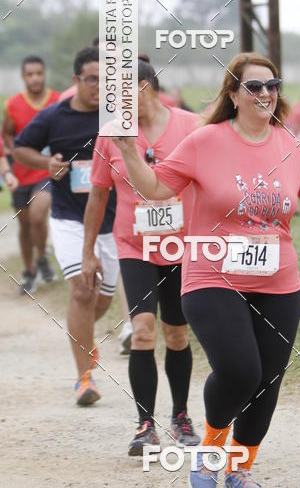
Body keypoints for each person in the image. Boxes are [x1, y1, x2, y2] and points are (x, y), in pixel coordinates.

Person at [113, 52, 300, 488]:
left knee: (267, 381)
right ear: (233, 94)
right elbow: (155, 187)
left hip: (279, 282)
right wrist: (127, 150)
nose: (266, 93)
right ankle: (210, 453)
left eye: (273, 85)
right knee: (240, 370)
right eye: (254, 86)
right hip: (212, 277)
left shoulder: (289, 144)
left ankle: (239, 469)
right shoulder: (205, 141)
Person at [83, 58, 203, 455]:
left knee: (177, 334)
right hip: (134, 247)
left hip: (181, 246)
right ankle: (145, 425)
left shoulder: (191, 126)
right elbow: (98, 194)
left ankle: (181, 416)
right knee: (143, 330)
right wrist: (88, 252)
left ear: (143, 87)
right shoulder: (111, 135)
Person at [13, 46, 118, 406]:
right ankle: (84, 378)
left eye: (106, 80)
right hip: (69, 218)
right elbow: (21, 148)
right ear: (76, 80)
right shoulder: (54, 116)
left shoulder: (118, 117)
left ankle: (85, 340)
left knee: (101, 300)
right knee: (82, 292)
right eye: (92, 79)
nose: (99, 86)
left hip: (112, 222)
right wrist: (46, 164)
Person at [3, 55, 60, 292]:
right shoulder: (12, 105)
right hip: (20, 175)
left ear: (44, 74)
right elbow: (6, 133)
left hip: (46, 171)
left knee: (37, 216)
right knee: (25, 226)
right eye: (30, 74)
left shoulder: (57, 100)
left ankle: (42, 256)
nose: (35, 78)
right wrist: (15, 153)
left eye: (39, 73)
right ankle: (30, 271)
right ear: (23, 76)